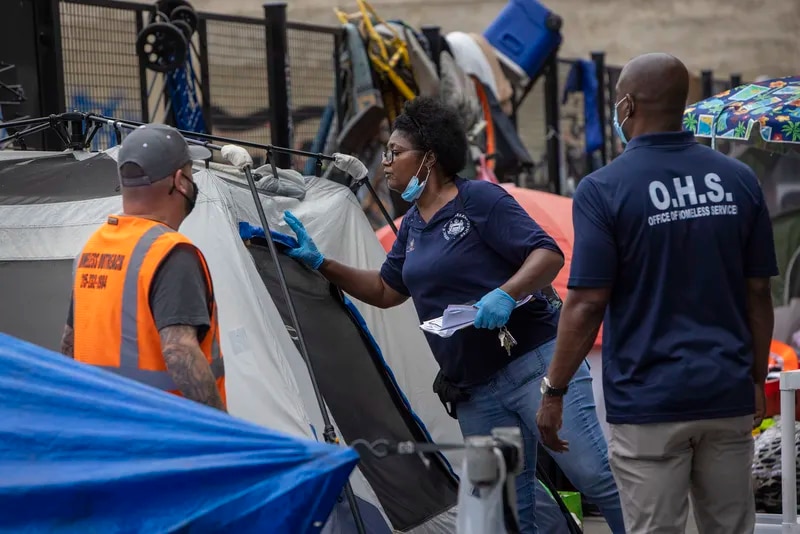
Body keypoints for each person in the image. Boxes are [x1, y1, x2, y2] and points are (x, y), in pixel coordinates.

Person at [281, 96, 625, 533]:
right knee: (506, 510)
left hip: (532, 367)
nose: (385, 163)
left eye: (394, 152)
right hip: (475, 394)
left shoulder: (478, 199)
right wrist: (322, 263)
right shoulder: (410, 227)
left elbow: (547, 255)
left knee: (594, 475)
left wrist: (505, 292)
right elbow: (387, 290)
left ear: (429, 158)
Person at [536, 53, 777, 534]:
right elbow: (758, 295)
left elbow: (585, 304)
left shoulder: (604, 189)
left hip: (649, 403)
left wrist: (554, 390)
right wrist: (753, 379)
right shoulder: (738, 180)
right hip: (725, 395)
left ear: (626, 104)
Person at [59, 123, 227, 412]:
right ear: (181, 181)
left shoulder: (93, 248)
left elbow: (69, 345)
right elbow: (179, 350)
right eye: (190, 172)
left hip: (104, 430)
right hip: (165, 434)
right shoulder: (172, 253)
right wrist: (226, 431)